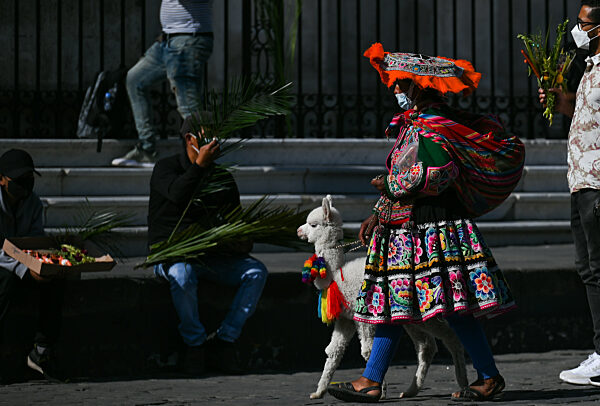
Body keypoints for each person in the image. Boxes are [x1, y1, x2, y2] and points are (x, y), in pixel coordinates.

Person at [327, 44, 524, 402]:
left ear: (420, 87)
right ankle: (372, 380)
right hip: (407, 228)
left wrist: (391, 186)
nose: (396, 90)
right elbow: (407, 173)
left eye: (401, 85)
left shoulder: (434, 127)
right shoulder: (414, 125)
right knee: (394, 301)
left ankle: (489, 376)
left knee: (450, 306)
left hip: (435, 229)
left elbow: (438, 174)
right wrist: (380, 210)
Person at [148, 113, 268, 375]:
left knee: (256, 272)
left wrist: (240, 240)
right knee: (182, 273)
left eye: (215, 136)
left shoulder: (222, 178)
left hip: (212, 258)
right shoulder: (166, 168)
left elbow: (236, 222)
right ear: (188, 139)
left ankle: (225, 341)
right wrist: (198, 167)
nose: (212, 142)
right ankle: (195, 345)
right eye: (204, 137)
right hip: (171, 256)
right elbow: (178, 195)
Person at [539, 1, 600, 386]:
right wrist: (560, 103)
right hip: (579, 180)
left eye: (583, 23)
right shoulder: (590, 67)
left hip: (598, 184)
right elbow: (585, 114)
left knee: (598, 269)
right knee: (588, 269)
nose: (576, 29)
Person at [112, 0, 214, 167]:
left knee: (188, 105)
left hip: (188, 39)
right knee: (135, 80)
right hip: (168, 40)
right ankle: (147, 149)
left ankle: (204, 158)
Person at [0, 149, 65, 382]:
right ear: (2, 179)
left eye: (29, 179)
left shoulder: (33, 203)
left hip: (22, 262)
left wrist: (40, 264)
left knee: (55, 280)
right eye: (18, 180)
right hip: (5, 264)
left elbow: (34, 239)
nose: (25, 185)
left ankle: (42, 350)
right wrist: (25, 269)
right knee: (4, 282)